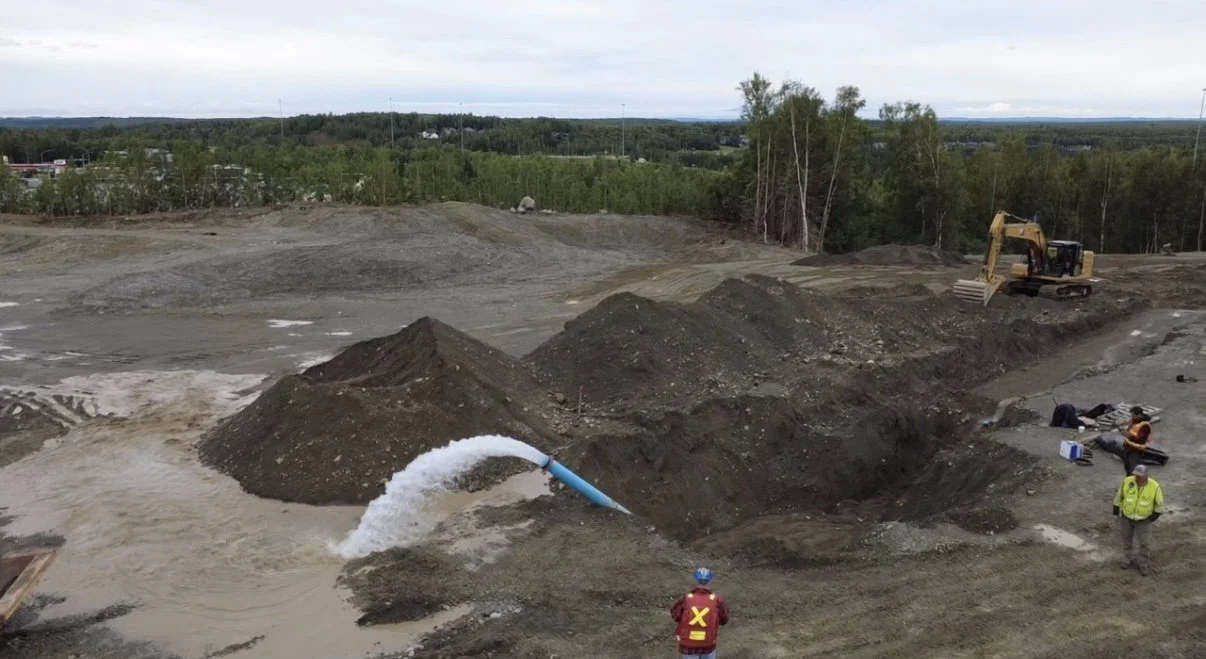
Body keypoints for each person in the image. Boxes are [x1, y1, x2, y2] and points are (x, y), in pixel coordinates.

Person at [1113, 464, 1165, 576]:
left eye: (1139, 475)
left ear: (1146, 475)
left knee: (1144, 543)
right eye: (1135, 475)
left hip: (1143, 520)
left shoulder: (1154, 487)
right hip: (1126, 517)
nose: (1136, 477)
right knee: (1126, 539)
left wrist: (1151, 518)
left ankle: (1143, 563)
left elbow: (1160, 505)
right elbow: (1119, 496)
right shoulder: (1127, 482)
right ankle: (1127, 558)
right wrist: (1116, 510)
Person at [671, 567, 729, 658]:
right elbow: (724, 619)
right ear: (710, 580)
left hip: (688, 644)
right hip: (708, 643)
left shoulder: (687, 599)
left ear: (696, 579)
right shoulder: (716, 600)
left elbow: (675, 616)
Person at [1119, 406, 1152, 475]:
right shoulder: (1134, 422)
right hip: (1128, 448)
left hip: (1136, 451)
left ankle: (1135, 484)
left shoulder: (1145, 426)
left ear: (1139, 415)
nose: (1132, 417)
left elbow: (1141, 439)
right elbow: (1130, 432)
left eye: (1133, 415)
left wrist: (1128, 435)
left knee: (1133, 470)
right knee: (1127, 468)